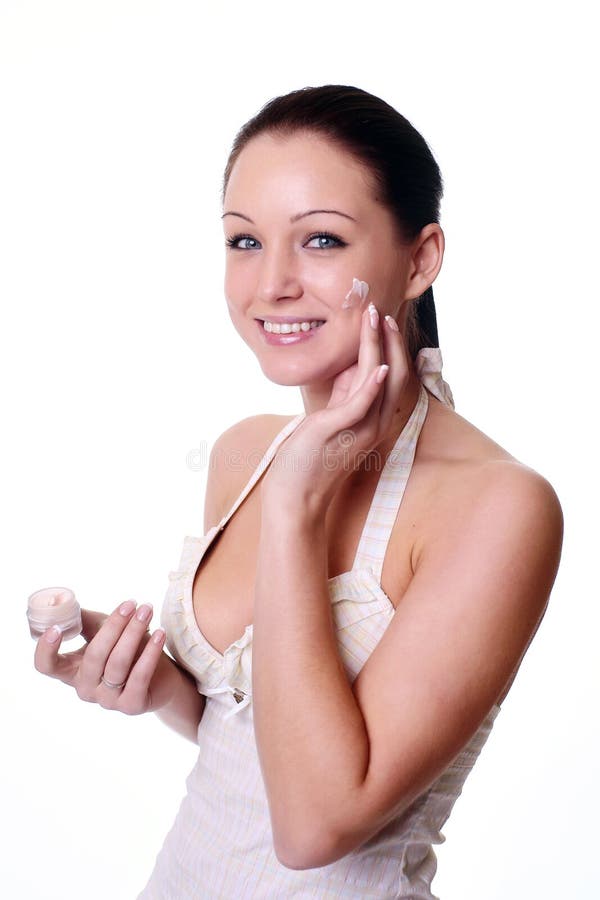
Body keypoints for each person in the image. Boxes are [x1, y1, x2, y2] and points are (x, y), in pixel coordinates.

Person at [34, 84, 564, 898]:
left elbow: (315, 823)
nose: (271, 284)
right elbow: (254, 739)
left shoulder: (497, 507)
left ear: (420, 259)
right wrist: (157, 686)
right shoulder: (244, 453)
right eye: (244, 242)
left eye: (320, 240)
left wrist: (295, 505)